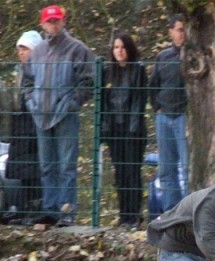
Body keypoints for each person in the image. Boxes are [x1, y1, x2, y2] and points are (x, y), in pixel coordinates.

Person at [22, 5, 95, 227]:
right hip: (40, 116)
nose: (53, 24)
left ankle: (67, 210)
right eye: (49, 21)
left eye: (57, 20)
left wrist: (72, 103)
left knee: (67, 166)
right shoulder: (37, 52)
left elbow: (89, 81)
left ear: (63, 21)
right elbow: (27, 82)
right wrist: (31, 101)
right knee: (47, 166)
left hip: (65, 116)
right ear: (42, 23)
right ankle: (50, 209)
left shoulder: (77, 49)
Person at [101, 32, 148, 229]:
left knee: (132, 172)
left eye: (122, 47)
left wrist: (132, 128)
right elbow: (104, 101)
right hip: (115, 131)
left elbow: (139, 101)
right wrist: (106, 128)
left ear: (129, 49)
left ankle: (134, 216)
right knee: (120, 173)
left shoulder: (138, 70)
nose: (119, 51)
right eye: (116, 48)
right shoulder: (107, 72)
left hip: (133, 130)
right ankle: (123, 215)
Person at [1, 31, 43, 226]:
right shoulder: (19, 71)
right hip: (20, 126)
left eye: (25, 49)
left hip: (34, 124)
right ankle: (23, 208)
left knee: (34, 169)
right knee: (20, 170)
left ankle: (36, 208)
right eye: (19, 49)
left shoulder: (40, 70)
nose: (21, 53)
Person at [149, 14, 188, 213]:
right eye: (180, 29)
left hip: (185, 117)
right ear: (171, 32)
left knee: (188, 167)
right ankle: (172, 212)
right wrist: (157, 107)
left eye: (185, 29)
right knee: (166, 169)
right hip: (164, 117)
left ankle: (191, 213)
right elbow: (153, 85)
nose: (183, 34)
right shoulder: (162, 57)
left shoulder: (196, 55)